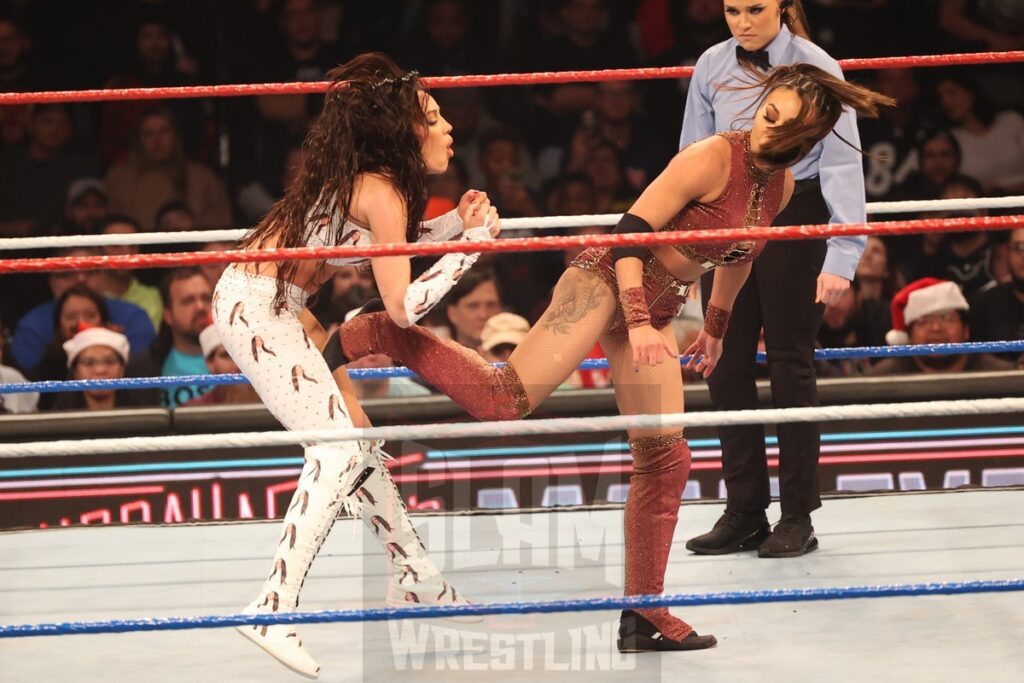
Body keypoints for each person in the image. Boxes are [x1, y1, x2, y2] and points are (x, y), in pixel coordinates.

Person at [327, 62, 893, 653]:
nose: (762, 127)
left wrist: (718, 328)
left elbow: (738, 253)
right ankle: (383, 332)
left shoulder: (777, 188)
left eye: (779, 124)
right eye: (765, 111)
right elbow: (629, 232)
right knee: (504, 399)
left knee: (665, 459)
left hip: (658, 306)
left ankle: (642, 613)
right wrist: (641, 321)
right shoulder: (712, 157)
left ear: (805, 141)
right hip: (607, 279)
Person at [210, 53, 498, 677]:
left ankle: (418, 580)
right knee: (338, 452)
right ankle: (271, 606)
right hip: (259, 307)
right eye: (435, 116)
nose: (448, 126)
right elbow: (401, 308)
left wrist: (453, 226)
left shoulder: (374, 185)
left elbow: (392, 246)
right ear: (406, 133)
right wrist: (471, 247)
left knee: (362, 443)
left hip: (278, 303)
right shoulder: (385, 189)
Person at [679, 0, 870, 559]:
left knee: (790, 360)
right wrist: (688, 245)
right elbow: (692, 154)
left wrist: (842, 253)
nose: (743, 22)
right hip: (727, 213)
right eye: (732, 10)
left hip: (797, 210)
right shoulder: (711, 64)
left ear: (783, 8)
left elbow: (841, 163)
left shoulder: (817, 66)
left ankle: (797, 516)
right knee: (725, 361)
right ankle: (743, 512)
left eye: (755, 9)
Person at [867, 277, 1015, 375]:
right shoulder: (881, 378)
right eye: (923, 321)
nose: (936, 328)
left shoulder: (1000, 375)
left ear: (966, 330)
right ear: (909, 335)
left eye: (947, 318)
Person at [51, 325, 150, 411]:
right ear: (75, 372)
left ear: (122, 369)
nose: (100, 370)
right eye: (89, 363)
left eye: (109, 362)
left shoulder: (145, 421)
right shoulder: (56, 424)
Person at [184, 323, 261, 406]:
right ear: (210, 363)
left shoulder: (276, 405)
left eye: (247, 354)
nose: (238, 366)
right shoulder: (194, 412)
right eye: (227, 355)